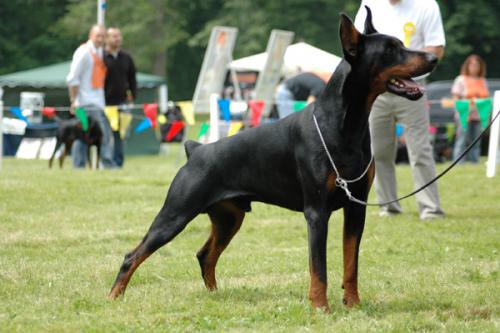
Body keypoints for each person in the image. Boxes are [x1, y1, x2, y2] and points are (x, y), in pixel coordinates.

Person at [354, 0, 446, 220]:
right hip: (378, 89)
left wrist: (403, 68)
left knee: (420, 149)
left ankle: (430, 208)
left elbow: (436, 48)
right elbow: (359, 44)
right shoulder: (370, 3)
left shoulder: (426, 5)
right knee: (378, 151)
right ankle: (388, 206)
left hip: (411, 88)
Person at [66, 25, 116, 169]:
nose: (100, 39)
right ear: (90, 35)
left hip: (97, 103)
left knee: (88, 136)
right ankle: (98, 165)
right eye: (98, 36)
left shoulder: (98, 52)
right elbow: (72, 79)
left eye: (103, 36)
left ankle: (82, 166)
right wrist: (74, 100)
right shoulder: (83, 52)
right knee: (87, 136)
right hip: (84, 104)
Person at [104, 27, 137, 167]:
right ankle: (106, 162)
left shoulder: (126, 58)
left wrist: (133, 95)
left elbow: (132, 79)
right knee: (106, 134)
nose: (118, 39)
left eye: (119, 36)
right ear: (107, 39)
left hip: (122, 103)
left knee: (121, 135)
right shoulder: (101, 57)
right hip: (104, 103)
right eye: (114, 36)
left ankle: (118, 163)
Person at [451, 55, 489, 164]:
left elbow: (485, 99)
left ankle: (474, 162)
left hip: (479, 115)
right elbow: (456, 99)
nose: (474, 68)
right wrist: (463, 112)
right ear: (467, 66)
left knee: (476, 141)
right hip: (464, 115)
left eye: (477, 65)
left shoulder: (483, 80)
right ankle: (458, 163)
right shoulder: (460, 79)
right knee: (461, 140)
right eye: (472, 65)